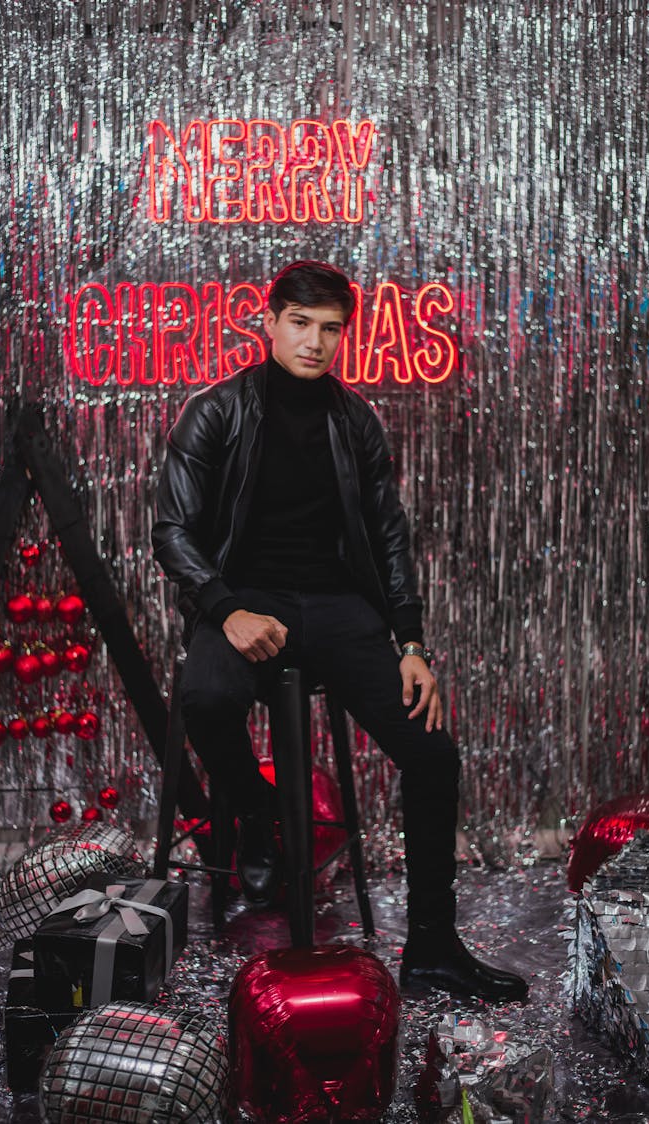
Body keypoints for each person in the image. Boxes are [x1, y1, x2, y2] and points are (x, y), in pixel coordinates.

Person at [152, 260, 527, 1002]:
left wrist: (412, 645)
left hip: (334, 606)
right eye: (300, 323)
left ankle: (431, 949)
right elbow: (172, 532)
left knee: (432, 752)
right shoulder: (217, 411)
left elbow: (389, 537)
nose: (315, 342)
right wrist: (226, 609)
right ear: (268, 322)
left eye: (330, 330)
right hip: (242, 597)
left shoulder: (354, 421)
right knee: (207, 698)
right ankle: (256, 819)